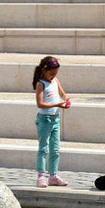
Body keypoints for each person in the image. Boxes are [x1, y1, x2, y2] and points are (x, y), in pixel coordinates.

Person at [33, 56, 71, 188]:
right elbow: (40, 103)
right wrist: (57, 105)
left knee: (55, 149)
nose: (53, 76)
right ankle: (41, 176)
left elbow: (63, 94)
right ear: (44, 70)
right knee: (43, 148)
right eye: (51, 73)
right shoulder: (41, 84)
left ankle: (53, 175)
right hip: (45, 120)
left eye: (55, 73)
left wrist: (66, 99)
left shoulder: (55, 81)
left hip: (56, 119)